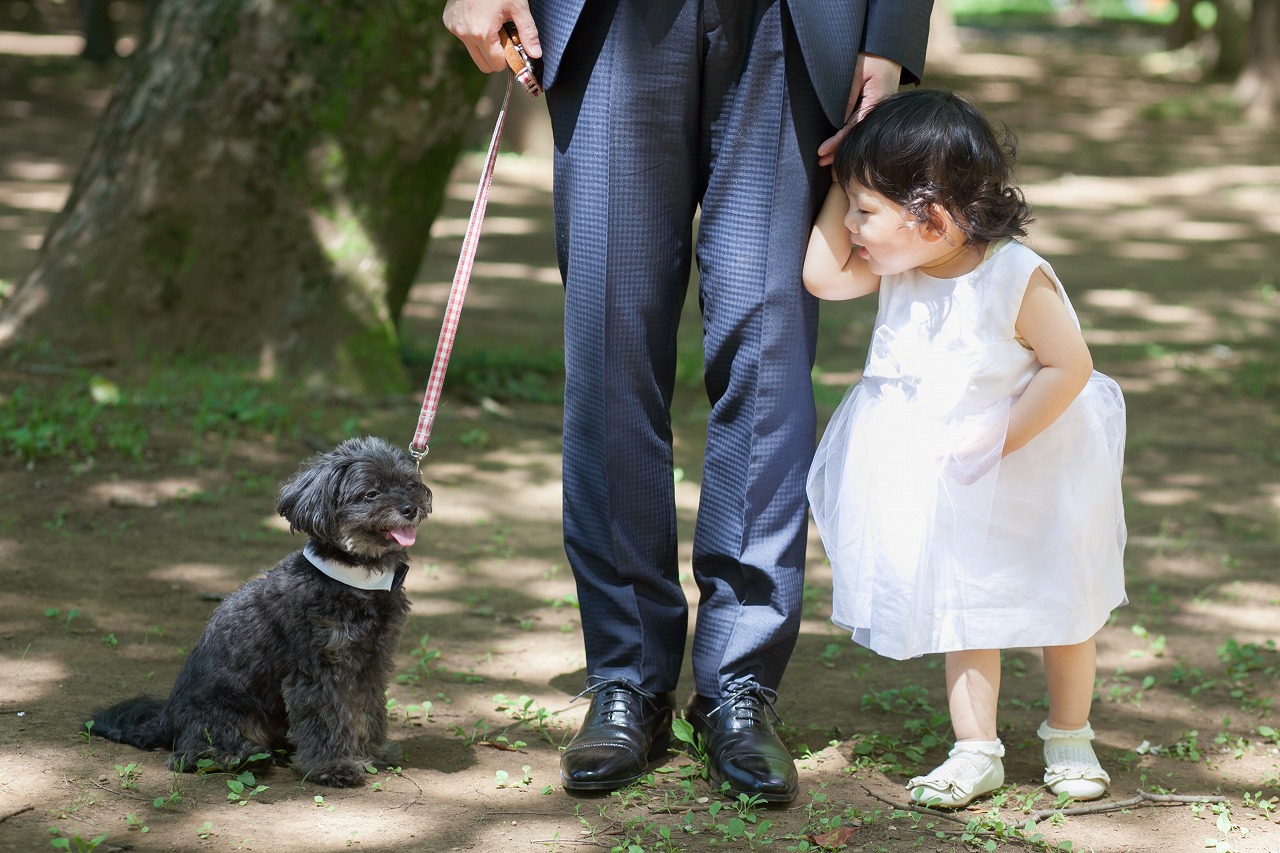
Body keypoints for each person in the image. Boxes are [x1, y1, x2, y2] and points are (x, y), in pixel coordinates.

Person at [444, 0, 933, 801]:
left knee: (770, 349)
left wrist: (890, 36)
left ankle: (739, 682)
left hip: (793, 25)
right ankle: (628, 675)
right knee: (609, 345)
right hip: (612, 25)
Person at [804, 89, 1127, 808]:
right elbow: (822, 276)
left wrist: (998, 438)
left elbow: (1069, 365)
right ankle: (974, 746)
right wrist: (839, 180)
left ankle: (1069, 732)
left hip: (1032, 462)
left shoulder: (1016, 275)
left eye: (865, 209)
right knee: (962, 603)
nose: (852, 226)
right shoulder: (905, 262)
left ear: (934, 216)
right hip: (948, 473)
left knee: (1063, 604)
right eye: (851, 206)